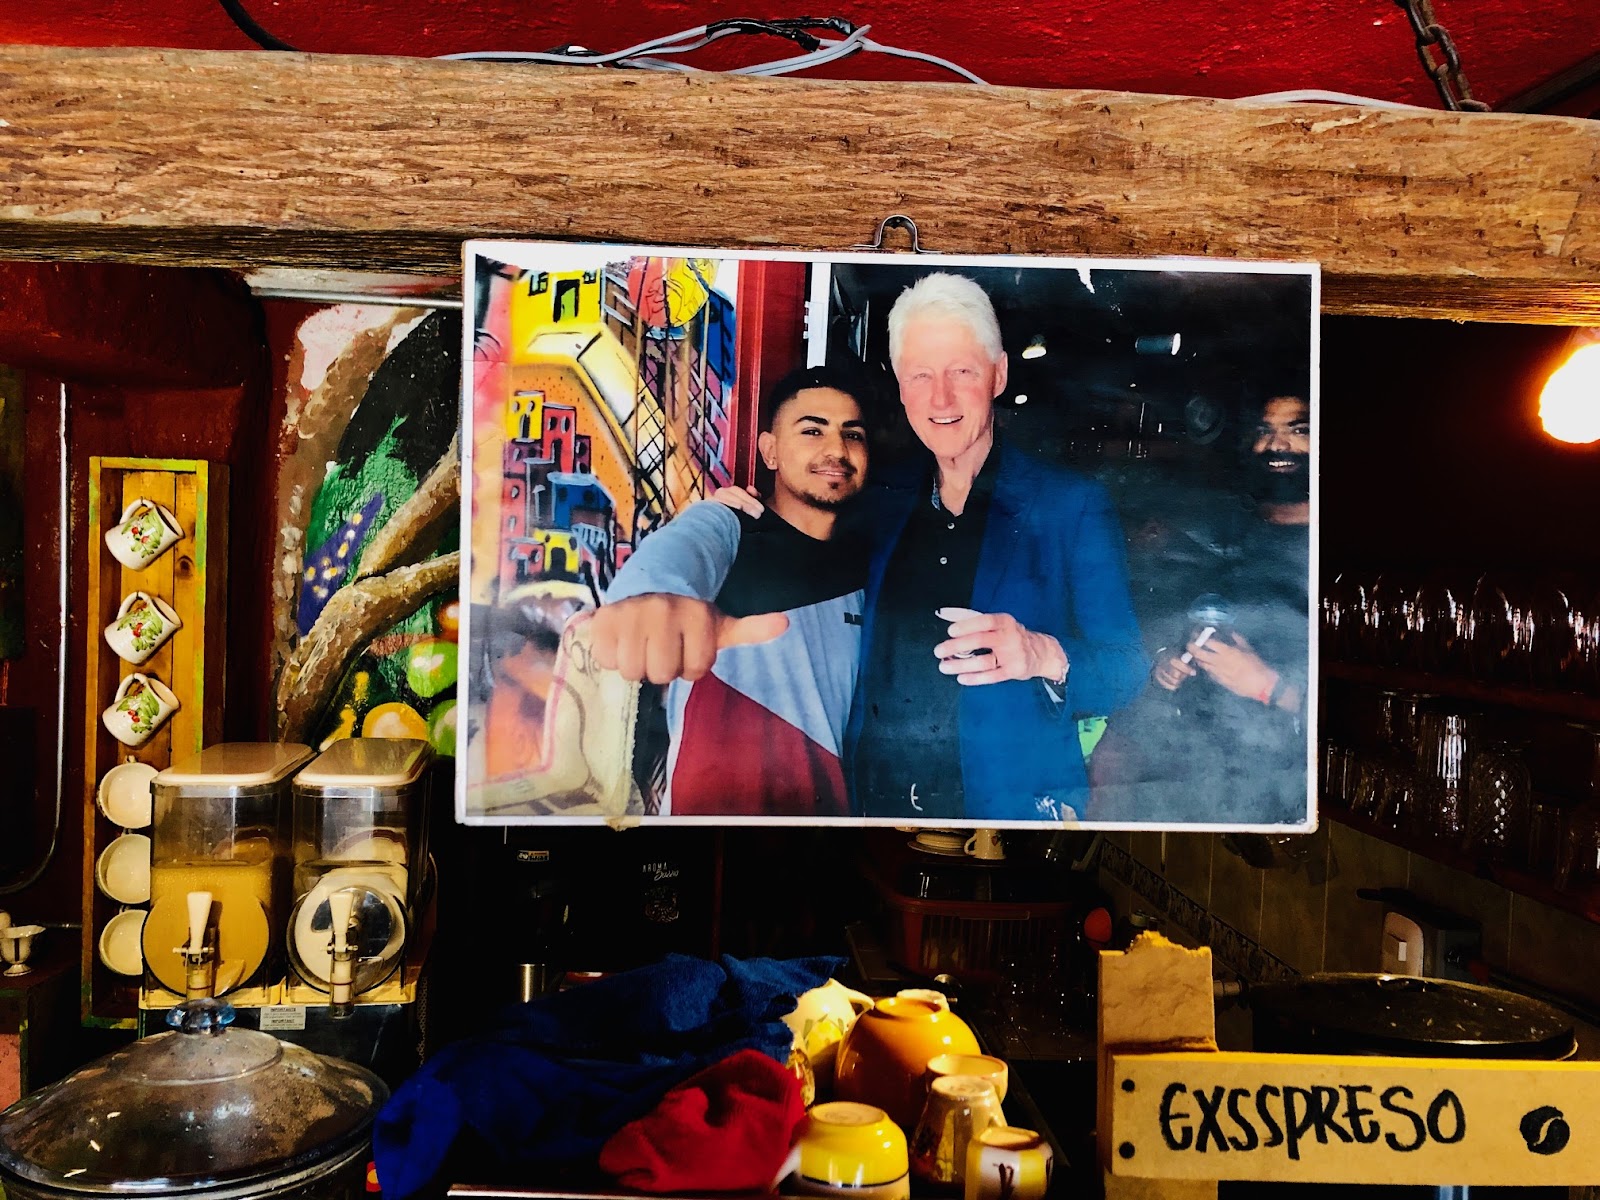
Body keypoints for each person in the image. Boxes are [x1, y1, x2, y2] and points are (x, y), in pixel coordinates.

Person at [841, 272, 1147, 822]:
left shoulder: (1070, 505)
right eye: (920, 374)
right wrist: (734, 517)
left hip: (1005, 817)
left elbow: (1127, 671)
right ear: (901, 386)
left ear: (998, 375)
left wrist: (1042, 653)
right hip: (877, 812)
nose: (941, 397)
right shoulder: (879, 500)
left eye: (962, 371)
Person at [589, 365, 872, 817]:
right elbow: (675, 555)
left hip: (828, 828)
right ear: (770, 451)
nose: (836, 450)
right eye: (812, 431)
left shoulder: (868, 561)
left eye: (852, 435)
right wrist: (650, 598)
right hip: (717, 828)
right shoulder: (729, 524)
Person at [1093, 391, 1311, 824]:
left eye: (1298, 430)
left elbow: (1368, 720)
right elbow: (1176, 619)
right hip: (1195, 768)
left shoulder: (1329, 557)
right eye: (1265, 430)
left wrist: (1270, 687)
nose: (1277, 444)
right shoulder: (1229, 531)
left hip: (1282, 785)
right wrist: (1166, 660)